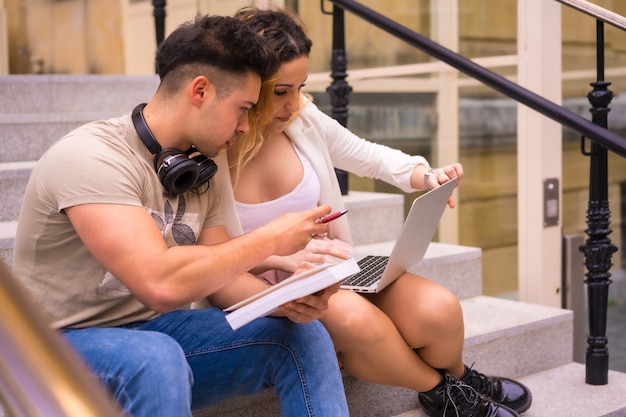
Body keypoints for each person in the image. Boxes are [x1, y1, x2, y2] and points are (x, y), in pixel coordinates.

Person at [12, 14, 350, 417]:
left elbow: (221, 265)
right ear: (200, 91)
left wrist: (285, 302)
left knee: (301, 335)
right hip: (51, 351)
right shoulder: (91, 157)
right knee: (154, 358)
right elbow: (160, 284)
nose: (246, 127)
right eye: (242, 109)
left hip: (154, 336)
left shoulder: (195, 165)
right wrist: (271, 240)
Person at [207, 6, 533, 417]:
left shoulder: (303, 122)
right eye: (281, 91)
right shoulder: (210, 151)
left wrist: (423, 175)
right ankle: (446, 393)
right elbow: (211, 260)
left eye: (301, 87)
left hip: (335, 274)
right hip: (268, 290)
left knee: (441, 310)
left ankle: (459, 377)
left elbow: (368, 156)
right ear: (247, 83)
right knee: (360, 323)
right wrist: (284, 262)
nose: (295, 103)